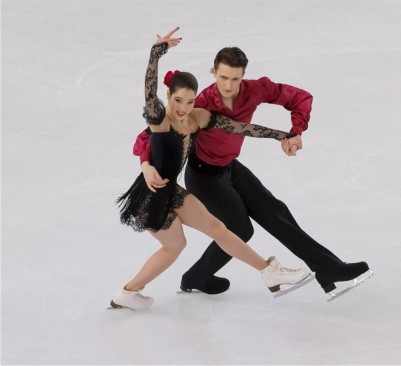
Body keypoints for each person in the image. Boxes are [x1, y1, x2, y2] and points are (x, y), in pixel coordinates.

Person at [134, 30, 370, 300]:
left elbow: (297, 99)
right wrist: (145, 164)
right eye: (223, 77)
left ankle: (330, 269)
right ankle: (196, 277)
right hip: (203, 176)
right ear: (213, 73)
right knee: (241, 228)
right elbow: (150, 136)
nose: (228, 85)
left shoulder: (256, 89)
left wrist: (294, 133)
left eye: (235, 79)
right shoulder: (197, 105)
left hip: (230, 168)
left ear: (243, 76)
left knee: (276, 212)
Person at [111, 28, 312, 311]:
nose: (182, 108)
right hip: (151, 193)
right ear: (168, 95)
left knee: (218, 227)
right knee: (174, 247)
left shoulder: (196, 118)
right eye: (177, 100)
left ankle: (269, 271)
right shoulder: (159, 119)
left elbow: (243, 128)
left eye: (190, 101)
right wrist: (155, 53)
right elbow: (149, 88)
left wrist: (284, 135)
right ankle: (128, 292)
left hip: (174, 191)